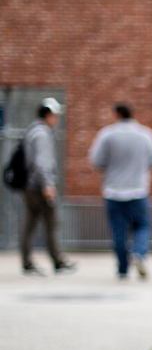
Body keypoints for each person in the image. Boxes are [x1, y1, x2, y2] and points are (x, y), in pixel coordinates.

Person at [89, 103, 152, 279]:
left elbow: (96, 160)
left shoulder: (107, 135)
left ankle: (122, 268)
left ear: (117, 114)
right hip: (138, 190)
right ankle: (139, 253)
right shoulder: (146, 135)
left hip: (113, 191)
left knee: (118, 231)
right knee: (143, 225)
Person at [20, 98, 77, 276]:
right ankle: (56, 260)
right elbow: (42, 163)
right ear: (48, 115)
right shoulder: (42, 134)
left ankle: (27, 262)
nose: (57, 120)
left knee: (30, 224)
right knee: (51, 223)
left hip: (30, 186)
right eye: (55, 116)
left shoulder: (32, 131)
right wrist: (48, 186)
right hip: (39, 187)